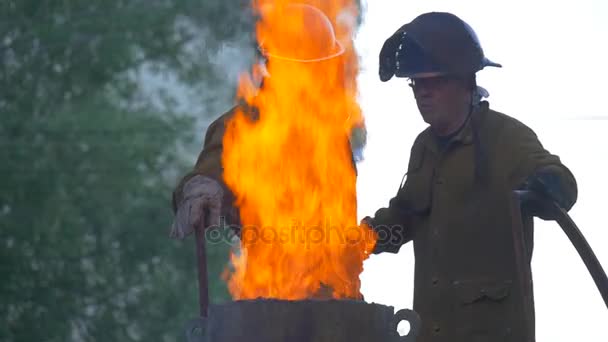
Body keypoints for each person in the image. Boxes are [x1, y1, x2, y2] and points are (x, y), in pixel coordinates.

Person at [363, 12, 577, 342]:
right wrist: (359, 241)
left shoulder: (505, 137)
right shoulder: (423, 147)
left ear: (465, 82)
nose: (422, 93)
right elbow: (404, 218)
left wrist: (549, 183)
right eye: (416, 84)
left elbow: (561, 180)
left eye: (433, 82)